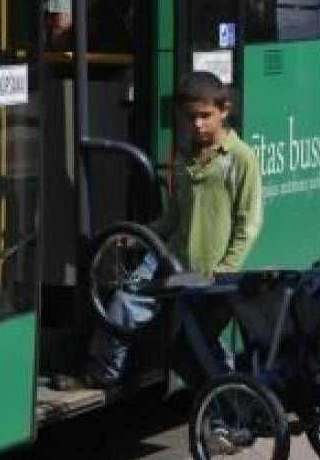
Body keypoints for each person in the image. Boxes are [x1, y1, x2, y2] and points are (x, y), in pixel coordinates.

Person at [85, 71, 264, 387]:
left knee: (199, 346)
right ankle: (102, 374)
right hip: (174, 263)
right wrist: (141, 237)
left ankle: (232, 402)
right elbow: (174, 217)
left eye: (205, 116)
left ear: (224, 110)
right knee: (126, 302)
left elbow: (249, 223)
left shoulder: (240, 158)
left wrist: (226, 269)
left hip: (211, 273)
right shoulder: (183, 154)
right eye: (190, 117)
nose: (197, 124)